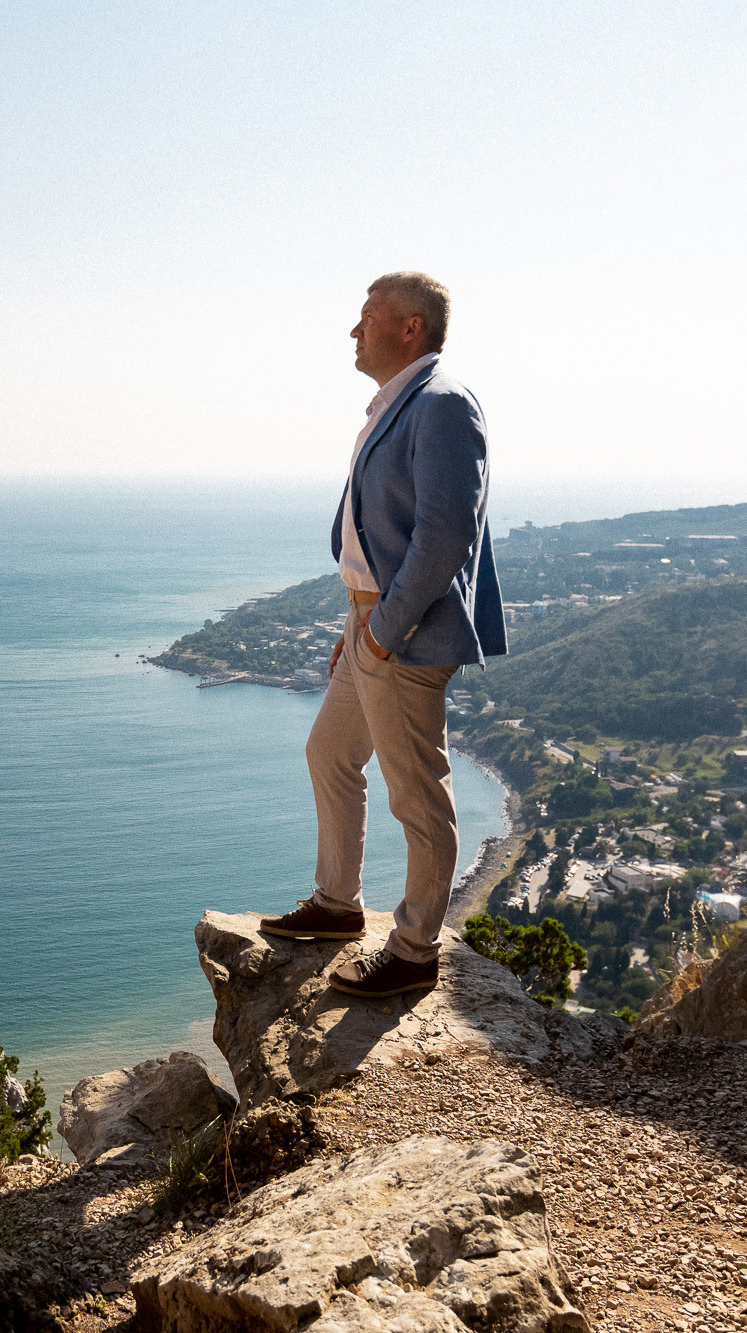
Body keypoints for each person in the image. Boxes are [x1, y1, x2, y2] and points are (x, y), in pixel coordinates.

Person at [259, 272, 505, 999]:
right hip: (369, 624)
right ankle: (338, 905)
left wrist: (386, 630)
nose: (352, 331)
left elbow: (446, 534)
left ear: (410, 329)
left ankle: (414, 947)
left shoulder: (442, 405)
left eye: (367, 319)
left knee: (417, 796)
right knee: (330, 751)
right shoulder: (398, 403)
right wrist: (356, 621)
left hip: (403, 634)